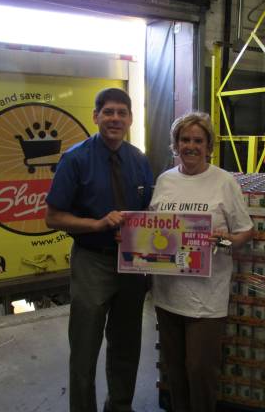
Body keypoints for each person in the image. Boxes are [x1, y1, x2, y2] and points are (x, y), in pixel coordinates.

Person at [45, 88, 153, 412]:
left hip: (131, 265)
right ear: (96, 117)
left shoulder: (139, 160)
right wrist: (97, 224)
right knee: (85, 347)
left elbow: (148, 213)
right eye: (108, 112)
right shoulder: (75, 159)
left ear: (131, 119)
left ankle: (119, 406)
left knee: (126, 343)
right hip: (93, 261)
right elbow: (52, 217)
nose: (115, 118)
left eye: (122, 112)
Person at [149, 112, 254, 412]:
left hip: (207, 298)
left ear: (209, 146)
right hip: (168, 293)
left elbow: (246, 231)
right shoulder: (165, 180)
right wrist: (131, 242)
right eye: (185, 140)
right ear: (176, 144)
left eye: (198, 140)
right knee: (175, 370)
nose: (191, 146)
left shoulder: (224, 182)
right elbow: (153, 230)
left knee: (200, 369)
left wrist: (221, 241)